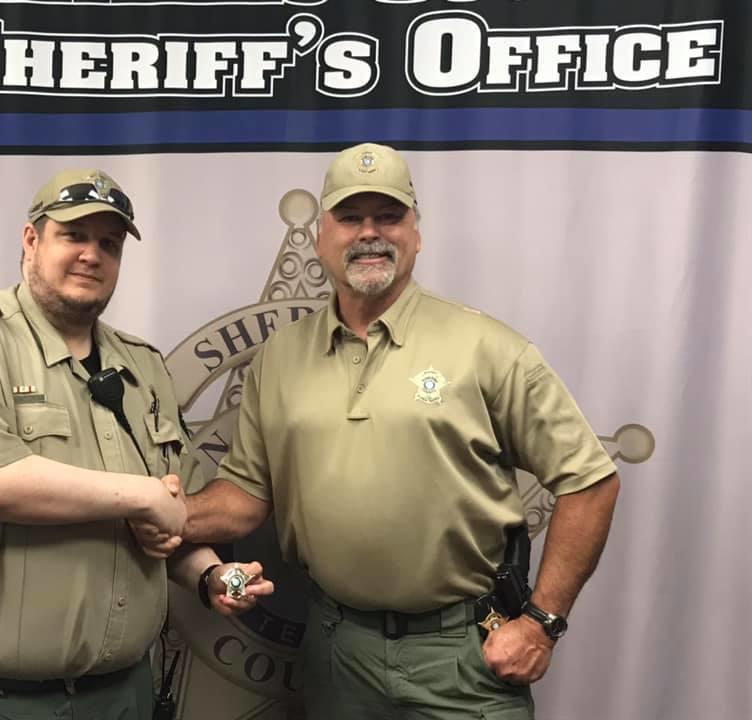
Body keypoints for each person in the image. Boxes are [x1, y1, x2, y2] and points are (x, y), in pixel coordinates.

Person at [144, 143, 620, 719]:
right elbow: (246, 498)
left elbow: (589, 481)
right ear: (322, 235)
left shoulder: (488, 348)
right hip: (335, 650)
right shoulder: (280, 359)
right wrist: (154, 512)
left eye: (388, 216)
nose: (369, 233)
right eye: (350, 217)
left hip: (462, 653)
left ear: (415, 233)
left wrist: (542, 623)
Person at [0, 168, 272, 720]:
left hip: (120, 696)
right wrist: (143, 496)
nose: (92, 255)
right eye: (74, 235)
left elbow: (165, 519)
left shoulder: (143, 367)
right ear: (31, 240)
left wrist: (210, 575)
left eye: (109, 244)